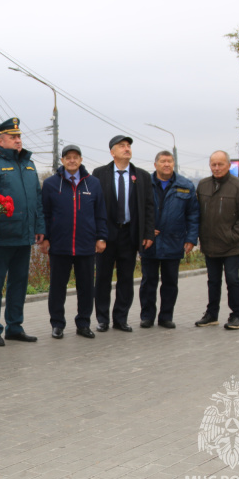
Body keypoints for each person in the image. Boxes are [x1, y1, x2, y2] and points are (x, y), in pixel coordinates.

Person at [0, 118, 44, 346]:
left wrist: (39, 228)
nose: (18, 140)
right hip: (2, 237)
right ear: (0, 139)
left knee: (19, 283)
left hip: (24, 236)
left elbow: (37, 200)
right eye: (13, 137)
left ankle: (14, 326)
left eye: (19, 136)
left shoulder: (29, 164)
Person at [40, 145, 107, 339]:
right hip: (59, 245)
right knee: (57, 288)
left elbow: (100, 214)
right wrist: (44, 238)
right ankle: (57, 324)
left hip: (86, 245)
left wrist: (101, 237)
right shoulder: (52, 184)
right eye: (68, 157)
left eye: (75, 157)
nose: (72, 160)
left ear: (81, 160)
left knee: (86, 288)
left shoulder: (93, 183)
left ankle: (84, 323)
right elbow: (45, 213)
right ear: (62, 160)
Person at [92, 135, 155, 333]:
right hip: (106, 235)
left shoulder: (142, 176)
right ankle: (102, 319)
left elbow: (149, 207)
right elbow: (94, 205)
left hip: (129, 234)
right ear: (112, 152)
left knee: (126, 279)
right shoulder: (99, 174)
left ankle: (121, 318)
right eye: (122, 146)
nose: (126, 149)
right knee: (102, 278)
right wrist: (98, 235)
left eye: (128, 146)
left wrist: (148, 234)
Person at [138, 151, 199, 329]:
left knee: (170, 282)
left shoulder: (185, 185)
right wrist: (145, 231)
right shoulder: (144, 184)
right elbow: (137, 211)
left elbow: (193, 214)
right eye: (163, 161)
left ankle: (166, 316)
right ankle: (147, 316)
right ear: (155, 164)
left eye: (170, 161)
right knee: (148, 282)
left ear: (174, 164)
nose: (167, 164)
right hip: (150, 242)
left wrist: (191, 238)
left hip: (174, 241)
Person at [195, 150, 239, 330]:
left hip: (230, 245)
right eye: (214, 164)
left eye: (220, 164)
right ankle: (212, 314)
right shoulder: (203, 185)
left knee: (232, 279)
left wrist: (233, 235)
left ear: (228, 165)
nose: (217, 168)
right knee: (213, 281)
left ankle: (237, 315)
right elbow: (197, 213)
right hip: (210, 243)